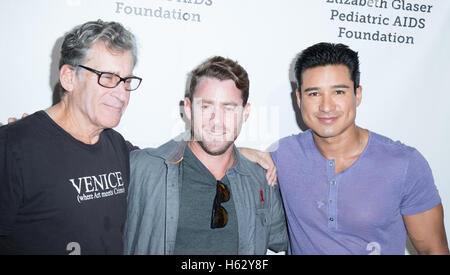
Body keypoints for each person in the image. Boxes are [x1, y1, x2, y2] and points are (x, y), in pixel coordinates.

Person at [267, 42, 449, 255]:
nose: (326, 106)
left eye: (339, 92)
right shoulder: (283, 155)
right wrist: (243, 153)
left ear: (358, 94)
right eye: (314, 93)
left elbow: (433, 249)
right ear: (299, 99)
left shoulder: (404, 164)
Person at [0, 20, 142, 254]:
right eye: (107, 77)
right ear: (69, 78)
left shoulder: (119, 147)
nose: (121, 94)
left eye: (126, 81)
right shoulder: (12, 148)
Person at [124, 56, 288, 255]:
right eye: (206, 107)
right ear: (188, 108)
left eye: (228, 108)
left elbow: (294, 240)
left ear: (245, 113)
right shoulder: (141, 169)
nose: (216, 121)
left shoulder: (260, 179)